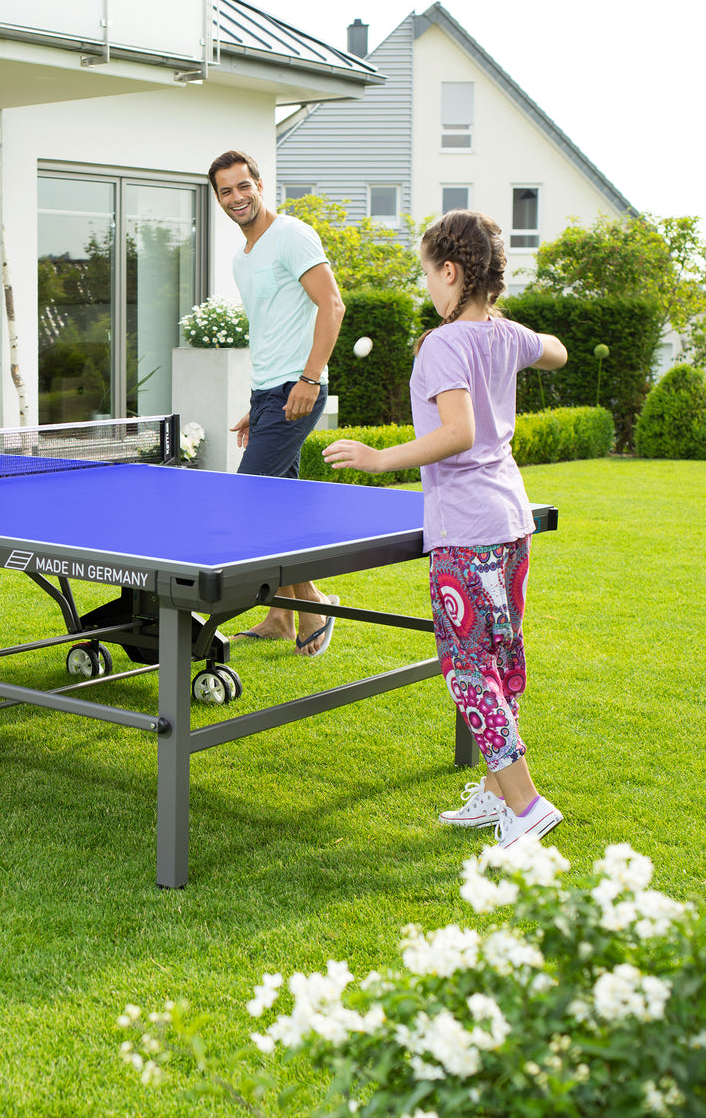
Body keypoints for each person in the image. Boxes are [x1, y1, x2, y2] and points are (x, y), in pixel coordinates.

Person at [322, 210, 568, 847]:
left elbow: (457, 434)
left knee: (467, 667)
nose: (428, 286)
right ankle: (495, 795)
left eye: (429, 274)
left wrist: (379, 459)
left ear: (452, 272)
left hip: (467, 529)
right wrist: (508, 333)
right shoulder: (503, 335)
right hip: (511, 524)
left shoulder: (443, 343)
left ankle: (525, 807)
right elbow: (559, 352)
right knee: (500, 654)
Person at [208, 150, 345, 655]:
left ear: (260, 184)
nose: (236, 197)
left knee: (251, 503)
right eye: (226, 191)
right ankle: (282, 617)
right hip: (271, 393)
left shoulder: (291, 234)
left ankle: (312, 603)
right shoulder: (243, 257)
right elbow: (272, 330)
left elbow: (332, 304)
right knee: (279, 510)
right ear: (218, 198)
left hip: (297, 388)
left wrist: (309, 379)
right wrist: (259, 402)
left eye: (243, 186)